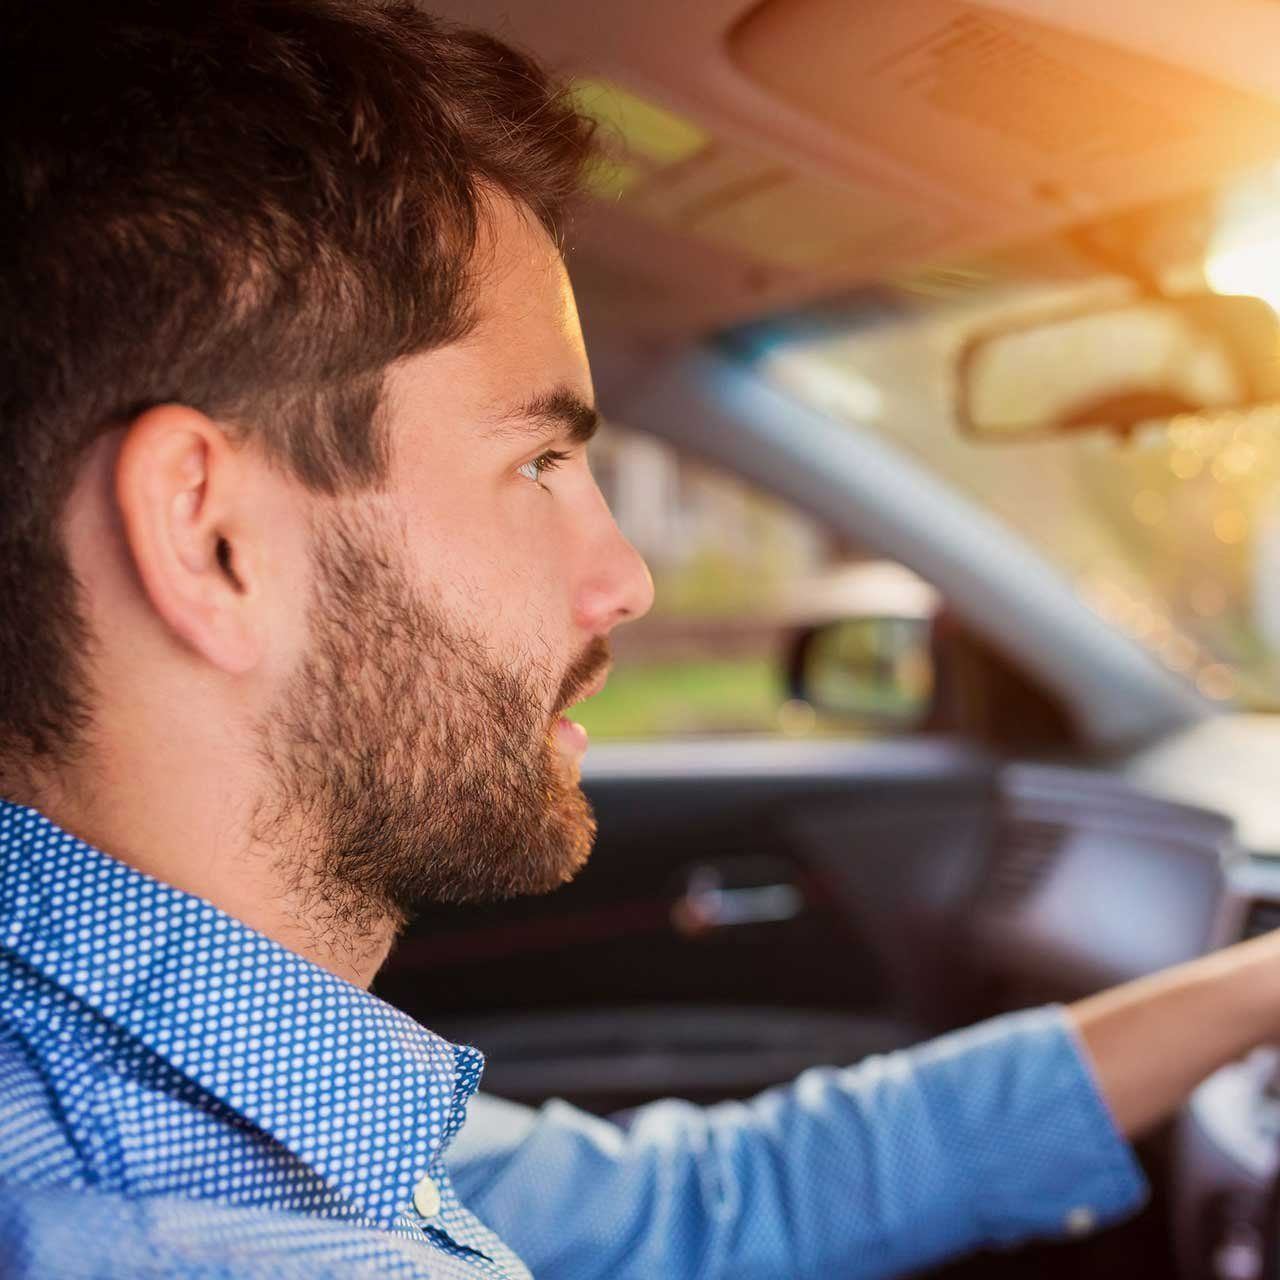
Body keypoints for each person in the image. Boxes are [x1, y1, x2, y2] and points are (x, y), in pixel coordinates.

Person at [0, 2, 1277, 1277]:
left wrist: (1244, 987)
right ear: (210, 536)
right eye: (541, 458)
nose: (626, 579)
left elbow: (703, 1205)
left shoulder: (176, 1073)